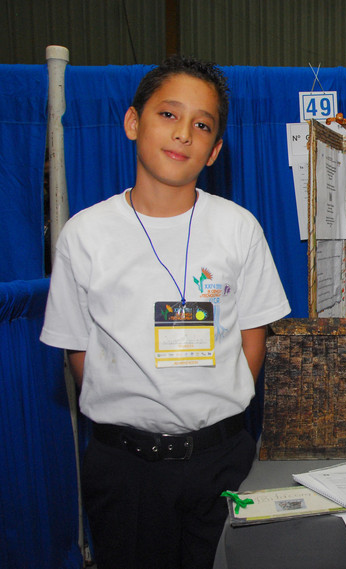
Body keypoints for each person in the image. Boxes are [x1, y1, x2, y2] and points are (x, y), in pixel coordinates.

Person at [40, 55, 291, 569]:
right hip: (125, 469)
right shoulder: (85, 235)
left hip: (222, 463)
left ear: (215, 148)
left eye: (201, 125)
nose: (183, 135)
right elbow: (80, 352)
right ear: (134, 122)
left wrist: (213, 410)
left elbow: (252, 339)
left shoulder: (238, 228)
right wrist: (138, 415)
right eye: (168, 115)